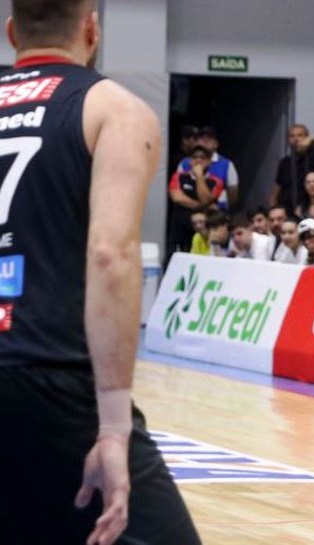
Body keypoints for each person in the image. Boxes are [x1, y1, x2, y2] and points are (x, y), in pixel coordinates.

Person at [0, 2, 200, 544]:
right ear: (92, 29)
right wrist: (112, 428)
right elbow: (110, 253)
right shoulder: (113, 109)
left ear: (12, 31)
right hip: (53, 377)